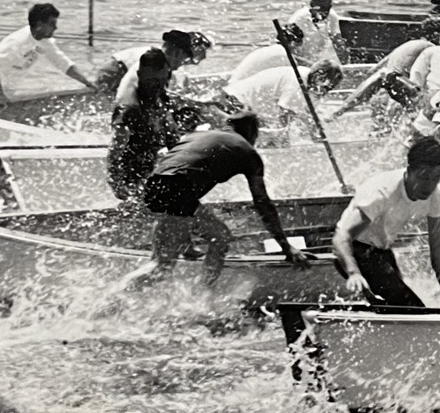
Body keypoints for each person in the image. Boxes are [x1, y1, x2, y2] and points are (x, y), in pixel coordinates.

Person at [125, 113, 311, 287]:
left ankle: (197, 290)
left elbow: (175, 174)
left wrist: (185, 239)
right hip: (178, 192)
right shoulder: (246, 150)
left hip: (155, 186)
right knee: (166, 265)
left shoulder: (197, 136)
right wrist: (287, 247)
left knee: (211, 237)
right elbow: (263, 204)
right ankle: (107, 303)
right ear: (253, 132)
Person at [332, 136, 440, 309]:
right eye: (424, 177)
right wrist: (354, 273)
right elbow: (341, 237)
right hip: (354, 252)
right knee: (414, 309)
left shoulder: (436, 196)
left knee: (399, 306)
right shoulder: (382, 192)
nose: (429, 185)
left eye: (436, 178)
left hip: (383, 253)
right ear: (409, 170)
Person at [0, 3, 97, 103]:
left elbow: (63, 63)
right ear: (39, 25)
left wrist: (87, 82)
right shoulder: (18, 41)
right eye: (52, 24)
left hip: (8, 89)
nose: (56, 28)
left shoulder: (45, 41)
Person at [330, 17, 440, 116]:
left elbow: (373, 70)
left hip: (379, 97)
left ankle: (339, 112)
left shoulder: (405, 46)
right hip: (395, 100)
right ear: (436, 35)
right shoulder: (430, 48)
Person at [106, 49, 181, 202]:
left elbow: (173, 139)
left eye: (162, 81)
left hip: (150, 174)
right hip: (131, 182)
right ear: (140, 75)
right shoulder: (129, 107)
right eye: (151, 81)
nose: (157, 86)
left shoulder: (159, 97)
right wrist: (117, 184)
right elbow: (115, 149)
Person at [225, 59, 342, 138]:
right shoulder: (298, 82)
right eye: (328, 85)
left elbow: (305, 114)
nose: (327, 90)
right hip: (237, 101)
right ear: (319, 76)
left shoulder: (309, 80)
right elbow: (284, 114)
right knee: (273, 137)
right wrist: (286, 139)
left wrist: (313, 130)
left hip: (247, 103)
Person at [99, 29, 209, 103]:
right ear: (177, 53)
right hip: (117, 66)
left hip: (122, 66)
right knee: (104, 97)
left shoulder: (160, 59)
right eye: (184, 59)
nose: (183, 63)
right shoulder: (154, 64)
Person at [228, 24, 306, 84]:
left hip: (233, 87)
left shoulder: (272, 50)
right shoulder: (285, 57)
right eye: (299, 42)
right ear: (293, 42)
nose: (300, 47)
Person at [286, 0, 344, 64]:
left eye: (327, 8)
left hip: (314, 61)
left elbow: (338, 43)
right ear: (312, 4)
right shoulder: (299, 18)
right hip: (298, 60)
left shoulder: (332, 16)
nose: (324, 13)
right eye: (320, 8)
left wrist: (345, 66)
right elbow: (288, 48)